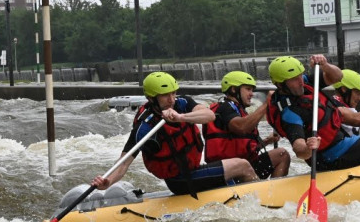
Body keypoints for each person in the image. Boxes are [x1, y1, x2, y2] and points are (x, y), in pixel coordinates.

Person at [92, 71, 257, 196]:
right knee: (243, 166)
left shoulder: (182, 104)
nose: (171, 99)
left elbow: (209, 115)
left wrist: (181, 117)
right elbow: (123, 164)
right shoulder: (146, 127)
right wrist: (108, 182)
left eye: (173, 93)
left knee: (236, 170)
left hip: (194, 170)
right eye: (165, 95)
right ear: (152, 98)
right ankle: (259, 203)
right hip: (180, 181)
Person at [265, 55, 360, 172]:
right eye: (294, 79)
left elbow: (337, 77)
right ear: (280, 84)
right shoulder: (289, 112)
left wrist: (325, 65)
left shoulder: (305, 83)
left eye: (300, 75)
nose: (300, 81)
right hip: (333, 157)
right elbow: (298, 148)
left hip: (340, 145)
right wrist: (308, 148)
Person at [203, 71, 290, 179]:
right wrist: (267, 104)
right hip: (229, 170)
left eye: (252, 90)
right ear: (234, 89)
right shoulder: (224, 107)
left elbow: (245, 147)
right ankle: (262, 192)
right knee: (279, 154)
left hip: (245, 165)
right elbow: (241, 128)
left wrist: (268, 141)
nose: (252, 94)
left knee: (282, 155)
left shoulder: (240, 111)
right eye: (248, 89)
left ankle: (274, 190)